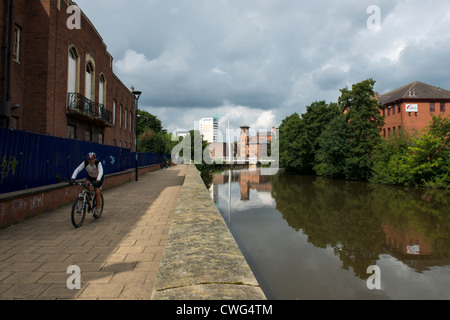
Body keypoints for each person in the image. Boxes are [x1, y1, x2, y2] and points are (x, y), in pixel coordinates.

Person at [69, 152, 104, 218]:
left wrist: (98, 180)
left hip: (98, 178)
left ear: (94, 159)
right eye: (89, 159)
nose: (90, 161)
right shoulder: (85, 163)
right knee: (85, 184)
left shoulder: (98, 163)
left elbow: (101, 172)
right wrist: (72, 178)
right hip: (90, 177)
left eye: (92, 159)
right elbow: (77, 170)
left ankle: (97, 210)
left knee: (97, 191)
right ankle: (89, 196)